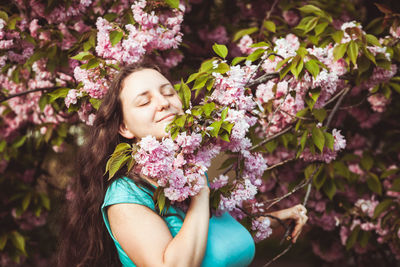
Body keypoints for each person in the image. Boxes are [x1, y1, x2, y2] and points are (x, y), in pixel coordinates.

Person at [57, 64, 308, 267]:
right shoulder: (127, 196)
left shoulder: (185, 171)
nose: (163, 103)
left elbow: (211, 244)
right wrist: (200, 191)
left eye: (168, 92)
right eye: (144, 102)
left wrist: (274, 219)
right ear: (124, 127)